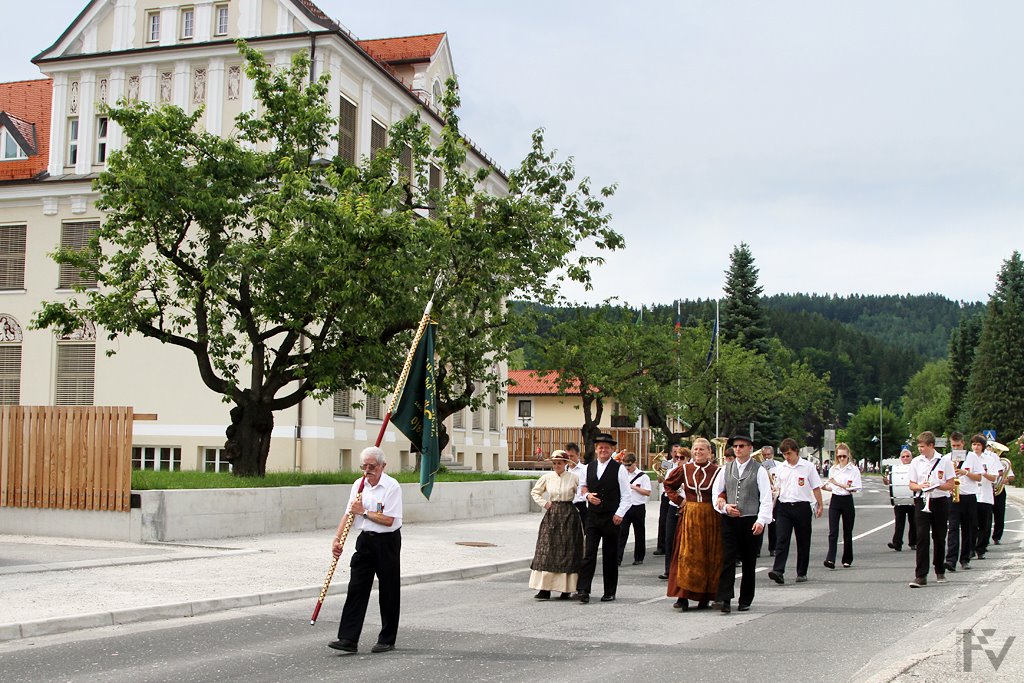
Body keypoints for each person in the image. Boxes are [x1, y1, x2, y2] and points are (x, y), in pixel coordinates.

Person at [329, 446, 403, 654]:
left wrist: (365, 512)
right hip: (365, 541)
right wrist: (337, 539)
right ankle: (348, 638)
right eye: (364, 465)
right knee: (356, 588)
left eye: (372, 466)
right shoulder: (358, 485)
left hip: (387, 542)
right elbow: (349, 513)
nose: (368, 470)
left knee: (388, 590)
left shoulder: (391, 486)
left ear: (382, 466)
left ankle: (387, 639)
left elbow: (389, 520)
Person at [712, 434, 773, 613]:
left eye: (742, 446)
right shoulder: (726, 469)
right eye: (736, 446)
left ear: (750, 449)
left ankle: (745, 598)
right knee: (727, 559)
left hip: (750, 519)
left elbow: (766, 498)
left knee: (748, 561)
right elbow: (717, 494)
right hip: (730, 520)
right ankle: (724, 599)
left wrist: (761, 520)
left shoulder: (759, 470)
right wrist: (725, 508)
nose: (738, 449)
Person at [661, 438, 721, 610]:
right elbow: (668, 485)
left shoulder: (717, 471)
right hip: (690, 516)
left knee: (708, 556)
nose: (698, 452)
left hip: (710, 516)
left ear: (710, 452)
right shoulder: (685, 469)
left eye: (702, 449)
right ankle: (683, 595)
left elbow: (723, 490)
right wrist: (680, 501)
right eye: (695, 449)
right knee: (686, 555)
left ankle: (706, 595)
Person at [573, 433, 631, 603]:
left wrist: (620, 513)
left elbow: (626, 495)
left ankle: (610, 591)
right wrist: (588, 496)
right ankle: (583, 589)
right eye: (600, 447)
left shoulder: (619, 468)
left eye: (606, 447)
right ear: (596, 449)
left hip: (611, 517)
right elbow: (582, 488)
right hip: (593, 516)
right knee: (589, 553)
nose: (603, 450)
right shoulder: (589, 467)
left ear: (611, 449)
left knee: (610, 555)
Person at [528, 450, 585, 600]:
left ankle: (566, 589)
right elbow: (535, 492)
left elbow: (584, 491)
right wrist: (545, 504)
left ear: (566, 464)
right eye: (554, 463)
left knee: (568, 549)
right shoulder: (547, 478)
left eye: (559, 463)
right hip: (552, 514)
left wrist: (581, 500)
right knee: (547, 548)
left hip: (569, 513)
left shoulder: (574, 478)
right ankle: (544, 589)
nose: (556, 466)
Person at [768, 438, 823, 585]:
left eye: (789, 453)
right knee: (782, 538)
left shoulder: (808, 467)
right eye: (785, 454)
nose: (787, 457)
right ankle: (778, 570)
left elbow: (816, 487)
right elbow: (777, 487)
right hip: (784, 506)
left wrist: (820, 505)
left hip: (802, 506)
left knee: (803, 541)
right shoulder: (781, 468)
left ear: (796, 451)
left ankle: (801, 572)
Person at [908, 431, 955, 588]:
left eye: (923, 446)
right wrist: (921, 486)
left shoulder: (944, 461)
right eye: (919, 446)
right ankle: (921, 575)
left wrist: (937, 485)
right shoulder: (916, 462)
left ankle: (940, 570)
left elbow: (951, 484)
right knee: (922, 537)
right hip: (922, 500)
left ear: (931, 446)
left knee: (939, 536)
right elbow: (912, 484)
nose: (920, 449)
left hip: (940, 500)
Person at [944, 432, 981, 572]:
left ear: (963, 443)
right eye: (953, 446)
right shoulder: (947, 458)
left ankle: (965, 559)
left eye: (958, 445)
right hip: (953, 496)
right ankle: (950, 560)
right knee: (953, 528)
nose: (956, 448)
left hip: (969, 496)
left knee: (968, 529)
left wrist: (965, 473)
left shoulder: (972, 458)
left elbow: (978, 477)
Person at [823, 443, 862, 569]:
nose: (841, 459)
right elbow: (832, 487)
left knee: (847, 531)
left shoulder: (854, 470)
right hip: (835, 500)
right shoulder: (833, 469)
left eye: (844, 456)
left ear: (848, 455)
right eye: (839, 456)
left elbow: (856, 488)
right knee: (833, 531)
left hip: (847, 500)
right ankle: (830, 559)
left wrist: (838, 484)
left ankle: (847, 559)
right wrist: (825, 487)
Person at [658, 446, 689, 579]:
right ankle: (669, 570)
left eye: (682, 458)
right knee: (670, 538)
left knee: (685, 539)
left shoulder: (690, 470)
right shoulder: (671, 469)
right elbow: (664, 484)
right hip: (673, 506)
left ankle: (684, 569)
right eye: (677, 457)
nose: (678, 460)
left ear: (688, 458)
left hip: (687, 506)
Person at [617, 452, 652, 566]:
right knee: (622, 532)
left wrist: (632, 487)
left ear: (635, 463)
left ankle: (639, 557)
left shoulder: (643, 476)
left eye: (629, 465)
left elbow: (647, 492)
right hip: (626, 507)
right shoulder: (622, 474)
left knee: (639, 532)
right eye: (625, 465)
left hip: (638, 507)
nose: (627, 467)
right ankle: (618, 558)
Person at [974, 437, 1004, 561]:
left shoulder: (991, 459)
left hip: (985, 495)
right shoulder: (968, 458)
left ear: (983, 446)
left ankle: (980, 549)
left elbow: (995, 477)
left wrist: (983, 473)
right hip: (972, 494)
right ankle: (970, 549)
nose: (976, 447)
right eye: (974, 444)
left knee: (984, 525)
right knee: (971, 525)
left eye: (978, 445)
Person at [883, 449, 917, 551]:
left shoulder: (915, 468)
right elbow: (889, 482)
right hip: (899, 499)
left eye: (907, 456)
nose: (905, 458)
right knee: (899, 522)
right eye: (903, 457)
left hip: (913, 499)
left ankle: (913, 542)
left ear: (911, 457)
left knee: (914, 522)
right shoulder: (896, 469)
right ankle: (897, 543)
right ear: (900, 458)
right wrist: (885, 480)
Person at [654, 444, 683, 556]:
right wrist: (662, 473)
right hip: (666, 495)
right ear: (671, 453)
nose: (676, 454)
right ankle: (661, 546)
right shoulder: (666, 463)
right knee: (663, 520)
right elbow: (659, 479)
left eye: (678, 451)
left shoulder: (683, 464)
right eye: (674, 451)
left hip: (678, 495)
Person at [992, 437, 1018, 545]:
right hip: (988, 490)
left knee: (999, 514)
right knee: (986, 516)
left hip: (1000, 490)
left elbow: (1012, 476)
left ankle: (997, 536)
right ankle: (982, 537)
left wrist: (1006, 479)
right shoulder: (986, 462)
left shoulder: (1003, 463)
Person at [757, 445, 778, 557]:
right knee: (760, 522)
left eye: (768, 455)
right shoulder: (758, 467)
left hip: (774, 496)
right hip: (761, 496)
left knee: (773, 524)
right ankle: (757, 549)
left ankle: (773, 548)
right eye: (764, 455)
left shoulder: (778, 466)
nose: (766, 457)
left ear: (772, 455)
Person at [565, 442, 588, 526]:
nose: (569, 459)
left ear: (578, 455)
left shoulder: (585, 469)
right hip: (566, 505)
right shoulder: (564, 469)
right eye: (567, 456)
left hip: (580, 505)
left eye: (571, 456)